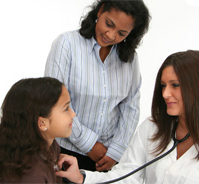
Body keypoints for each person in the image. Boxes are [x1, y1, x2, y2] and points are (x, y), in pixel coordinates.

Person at [55, 50, 199, 183]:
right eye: (163, 85)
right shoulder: (152, 128)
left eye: (175, 85)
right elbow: (127, 176)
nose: (165, 94)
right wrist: (82, 177)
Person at [44, 0, 151, 171]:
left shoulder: (130, 60)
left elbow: (131, 107)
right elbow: (54, 100)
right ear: (100, 11)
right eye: (109, 24)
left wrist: (116, 151)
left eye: (122, 33)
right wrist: (89, 144)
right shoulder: (67, 44)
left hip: (107, 159)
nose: (111, 35)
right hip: (65, 151)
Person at [0, 77, 76, 183]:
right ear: (42, 123)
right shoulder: (32, 176)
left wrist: (79, 178)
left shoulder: (49, 145)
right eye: (66, 108)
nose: (73, 114)